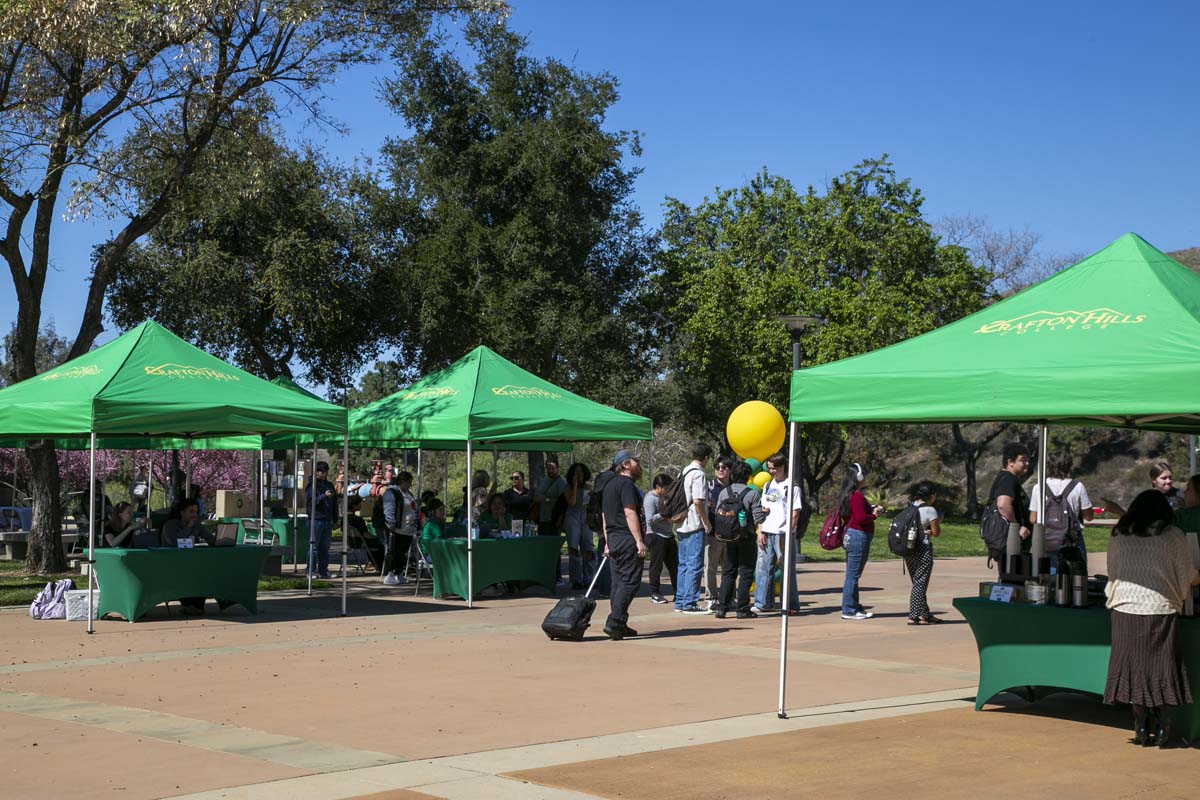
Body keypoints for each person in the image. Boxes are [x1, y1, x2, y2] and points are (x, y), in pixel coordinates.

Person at [1104, 490, 1200, 748]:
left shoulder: (1118, 534)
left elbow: (1113, 571)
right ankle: (1163, 727)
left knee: (1134, 669)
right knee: (1161, 668)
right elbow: (1190, 576)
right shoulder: (1172, 535)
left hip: (1124, 608)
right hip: (1159, 609)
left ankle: (1140, 725)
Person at [600, 453, 647, 640]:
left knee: (618, 582)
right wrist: (638, 540)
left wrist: (607, 542)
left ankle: (620, 624)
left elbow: (605, 516)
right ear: (626, 464)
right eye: (636, 461)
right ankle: (615, 621)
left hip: (613, 539)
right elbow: (629, 512)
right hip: (627, 538)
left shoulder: (608, 485)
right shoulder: (626, 484)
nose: (638, 464)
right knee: (630, 581)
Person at [714, 461, 765, 619]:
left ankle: (722, 607)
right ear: (748, 476)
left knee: (728, 572)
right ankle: (742, 609)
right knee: (746, 572)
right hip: (746, 537)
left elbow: (717, 511)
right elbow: (758, 517)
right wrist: (765, 513)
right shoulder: (752, 494)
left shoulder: (724, 492)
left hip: (728, 537)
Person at [753, 453, 803, 615]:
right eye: (769, 468)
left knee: (786, 570)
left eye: (773, 468)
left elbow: (795, 512)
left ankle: (790, 604)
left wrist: (789, 532)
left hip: (783, 534)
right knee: (763, 568)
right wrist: (760, 531)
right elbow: (763, 510)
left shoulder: (792, 486)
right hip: (767, 532)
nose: (771, 471)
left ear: (782, 467)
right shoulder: (767, 485)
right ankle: (763, 603)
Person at [1029, 453, 1094, 566]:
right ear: (1069, 465)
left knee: (1048, 572)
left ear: (1049, 466)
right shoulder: (1078, 486)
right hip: (1072, 540)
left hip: (1046, 540)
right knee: (1077, 572)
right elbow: (1089, 517)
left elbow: (1033, 518)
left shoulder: (1039, 487)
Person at [837, 462, 883, 620]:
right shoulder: (856, 496)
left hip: (851, 535)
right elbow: (860, 518)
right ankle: (849, 609)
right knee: (853, 575)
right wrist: (874, 515)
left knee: (853, 574)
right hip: (857, 536)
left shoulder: (848, 494)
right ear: (859, 476)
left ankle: (854, 607)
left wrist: (870, 508)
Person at [675, 442, 713, 616]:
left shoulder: (683, 471)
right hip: (694, 523)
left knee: (683, 564)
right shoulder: (698, 474)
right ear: (705, 458)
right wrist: (706, 522)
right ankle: (690, 602)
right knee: (694, 564)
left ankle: (681, 600)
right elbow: (698, 501)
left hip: (681, 523)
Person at [161, 497, 217, 615]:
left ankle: (196, 606)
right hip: (171, 563)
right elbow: (174, 542)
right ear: (182, 513)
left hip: (192, 562)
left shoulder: (197, 525)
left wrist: (221, 538)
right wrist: (188, 527)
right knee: (189, 574)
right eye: (191, 511)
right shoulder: (170, 525)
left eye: (196, 512)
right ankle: (188, 605)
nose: (194, 515)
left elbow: (210, 539)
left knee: (205, 571)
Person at [986, 442, 1032, 571]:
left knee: (1009, 576)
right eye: (1023, 460)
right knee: (1012, 576)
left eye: (1028, 460)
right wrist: (1016, 527)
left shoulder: (1007, 478)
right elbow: (1003, 505)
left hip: (1008, 543)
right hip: (1009, 543)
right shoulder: (1008, 479)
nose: (1027, 463)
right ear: (1010, 462)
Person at [904, 482, 943, 625]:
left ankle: (925, 614)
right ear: (931, 495)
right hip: (923, 549)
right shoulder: (930, 510)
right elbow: (936, 532)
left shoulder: (909, 507)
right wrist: (931, 530)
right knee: (920, 583)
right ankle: (913, 616)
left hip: (908, 548)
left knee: (918, 582)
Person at [704, 455, 734, 609]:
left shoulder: (734, 488)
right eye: (717, 467)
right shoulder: (708, 487)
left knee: (729, 567)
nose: (720, 470)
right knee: (710, 567)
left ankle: (729, 597)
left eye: (724, 467)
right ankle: (711, 597)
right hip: (712, 534)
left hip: (730, 534)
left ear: (730, 470)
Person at [643, 474, 678, 604]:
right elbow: (650, 520)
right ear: (658, 487)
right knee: (656, 566)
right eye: (667, 488)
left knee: (675, 566)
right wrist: (664, 514)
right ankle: (655, 593)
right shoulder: (650, 499)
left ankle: (678, 592)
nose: (668, 490)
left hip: (669, 535)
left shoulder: (666, 498)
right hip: (656, 536)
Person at [380, 471, 419, 586]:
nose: (410, 485)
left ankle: (399, 573)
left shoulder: (408, 493)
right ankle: (389, 575)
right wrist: (391, 525)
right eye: (409, 482)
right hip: (397, 529)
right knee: (393, 552)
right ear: (402, 481)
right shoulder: (392, 492)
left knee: (402, 554)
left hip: (408, 530)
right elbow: (389, 509)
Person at [562, 463, 596, 589]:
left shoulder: (588, 487)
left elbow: (591, 504)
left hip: (586, 516)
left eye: (581, 472)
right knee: (573, 548)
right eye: (576, 472)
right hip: (572, 516)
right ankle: (576, 580)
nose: (579, 474)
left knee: (588, 547)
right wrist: (575, 485)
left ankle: (589, 579)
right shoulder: (567, 487)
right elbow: (572, 502)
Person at [304, 461, 340, 579]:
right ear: (316, 472)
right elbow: (310, 502)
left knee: (325, 547)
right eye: (321, 471)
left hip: (327, 520)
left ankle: (323, 570)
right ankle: (310, 571)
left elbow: (335, 503)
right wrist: (323, 496)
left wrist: (335, 519)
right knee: (313, 547)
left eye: (326, 471)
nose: (324, 474)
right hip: (315, 519)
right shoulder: (311, 485)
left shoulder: (329, 485)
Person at [1104, 462, 1179, 516]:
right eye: (1164, 478)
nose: (1169, 481)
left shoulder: (1180, 495)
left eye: (1170, 477)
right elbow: (1135, 522)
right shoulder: (1145, 499)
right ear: (1153, 480)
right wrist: (1119, 511)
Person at [346, 496, 385, 573]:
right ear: (354, 506)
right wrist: (376, 537)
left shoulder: (344, 519)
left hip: (350, 542)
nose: (361, 505)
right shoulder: (358, 520)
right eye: (359, 504)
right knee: (380, 544)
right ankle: (381, 567)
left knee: (372, 545)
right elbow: (365, 534)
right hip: (361, 542)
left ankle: (376, 566)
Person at [533, 460, 566, 537]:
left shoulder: (561, 482)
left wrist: (547, 500)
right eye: (548, 468)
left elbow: (564, 501)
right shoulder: (544, 480)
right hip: (542, 520)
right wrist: (536, 498)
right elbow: (537, 495)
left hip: (554, 520)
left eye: (553, 468)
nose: (550, 470)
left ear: (557, 468)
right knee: (541, 542)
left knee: (552, 543)